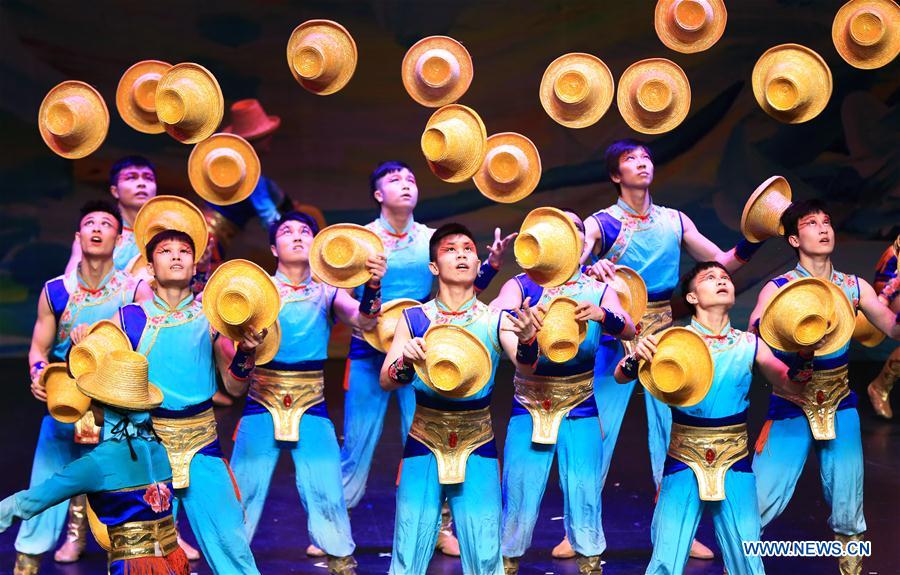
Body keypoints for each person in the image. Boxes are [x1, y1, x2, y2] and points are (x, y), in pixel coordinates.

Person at [573, 139, 762, 560]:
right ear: (614, 175)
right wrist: (590, 267)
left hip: (665, 335)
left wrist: (753, 241)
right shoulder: (601, 223)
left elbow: (719, 263)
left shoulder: (675, 220)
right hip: (613, 334)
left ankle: (675, 529)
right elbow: (571, 261)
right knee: (596, 435)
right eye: (630, 160)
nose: (641, 164)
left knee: (672, 435)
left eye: (646, 157)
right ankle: (579, 528)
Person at [338, 161, 513, 557]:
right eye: (394, 179)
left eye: (411, 179)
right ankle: (336, 526)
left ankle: (439, 525)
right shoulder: (361, 239)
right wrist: (371, 286)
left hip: (426, 348)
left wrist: (493, 267)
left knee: (423, 438)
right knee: (358, 440)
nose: (406, 184)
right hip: (370, 348)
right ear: (378, 193)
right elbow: (347, 301)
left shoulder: (434, 239)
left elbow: (461, 286)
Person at [226, 211, 385, 574]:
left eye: (304, 231)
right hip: (260, 398)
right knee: (242, 489)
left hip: (311, 399)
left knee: (326, 484)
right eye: (286, 231)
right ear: (273, 247)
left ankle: (341, 558)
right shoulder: (257, 289)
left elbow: (364, 321)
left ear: (316, 244)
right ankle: (229, 563)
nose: (297, 236)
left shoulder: (329, 290)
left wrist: (373, 286)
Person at [749, 200, 900, 575]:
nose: (823, 228)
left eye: (827, 222)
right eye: (812, 223)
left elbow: (894, 329)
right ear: (793, 238)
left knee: (848, 497)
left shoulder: (853, 287)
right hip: (790, 402)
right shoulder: (780, 288)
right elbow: (755, 335)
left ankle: (850, 566)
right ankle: (740, 565)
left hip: (839, 401)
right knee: (761, 498)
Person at [381, 223, 539, 574]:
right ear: (434, 267)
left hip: (477, 441)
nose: (462, 254)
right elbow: (387, 380)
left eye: (468, 248)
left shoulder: (495, 319)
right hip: (423, 439)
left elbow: (526, 369)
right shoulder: (415, 318)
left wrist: (529, 340)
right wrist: (405, 361)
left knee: (484, 549)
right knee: (409, 545)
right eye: (450, 249)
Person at [631, 261, 802, 574]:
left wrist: (805, 355)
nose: (722, 281)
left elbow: (788, 381)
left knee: (748, 559)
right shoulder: (673, 342)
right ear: (693, 297)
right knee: (666, 560)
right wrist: (635, 356)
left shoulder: (750, 344)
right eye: (710, 278)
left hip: (735, 460)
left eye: (725, 278)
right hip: (683, 459)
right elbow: (620, 376)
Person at [116, 219, 263, 574]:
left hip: (202, 442)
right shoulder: (129, 319)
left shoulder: (212, 319)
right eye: (166, 252)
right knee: (145, 554)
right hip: (148, 447)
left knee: (230, 542)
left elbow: (235, 388)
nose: (177, 257)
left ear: (195, 265)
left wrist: (245, 354)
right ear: (150, 267)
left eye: (184, 252)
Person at [491, 209, 635, 574]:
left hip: (580, 400)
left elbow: (630, 330)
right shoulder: (522, 285)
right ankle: (507, 561)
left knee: (585, 487)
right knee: (520, 487)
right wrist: (517, 325)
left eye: (574, 229)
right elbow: (496, 319)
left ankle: (589, 561)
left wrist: (605, 315)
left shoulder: (597, 288)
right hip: (530, 399)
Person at [14, 200, 150, 574]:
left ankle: (125, 557)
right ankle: (28, 557)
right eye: (89, 222)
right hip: (66, 401)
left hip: (115, 404)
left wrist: (100, 329)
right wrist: (39, 374)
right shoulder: (56, 291)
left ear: (118, 237)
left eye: (105, 223)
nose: (96, 228)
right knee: (46, 484)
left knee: (122, 490)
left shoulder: (135, 289)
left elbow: (143, 327)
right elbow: (38, 349)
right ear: (78, 236)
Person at [2, 350, 189, 575]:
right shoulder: (158, 447)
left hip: (135, 568)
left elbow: (31, 501)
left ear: (103, 404)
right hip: (173, 563)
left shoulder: (98, 463)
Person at [65, 156, 158, 277]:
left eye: (149, 178)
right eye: (131, 178)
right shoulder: (96, 232)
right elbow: (71, 281)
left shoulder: (166, 231)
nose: (141, 184)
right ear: (115, 191)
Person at [867, 234, 899, 418]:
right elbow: (894, 282)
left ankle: (880, 386)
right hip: (893, 286)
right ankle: (880, 387)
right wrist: (883, 300)